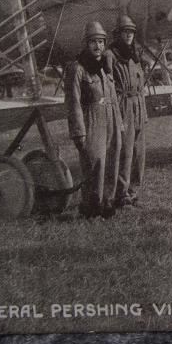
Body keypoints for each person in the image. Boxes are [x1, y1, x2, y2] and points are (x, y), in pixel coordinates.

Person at [65, 21, 123, 219]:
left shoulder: (105, 69)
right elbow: (73, 103)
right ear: (85, 43)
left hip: (111, 120)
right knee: (94, 165)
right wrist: (79, 132)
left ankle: (108, 204)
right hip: (92, 121)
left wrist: (119, 124)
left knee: (111, 163)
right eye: (93, 42)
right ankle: (91, 208)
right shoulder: (77, 69)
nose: (97, 46)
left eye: (100, 41)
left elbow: (112, 99)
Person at [107, 15, 147, 207]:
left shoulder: (135, 55)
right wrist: (116, 114)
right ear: (118, 34)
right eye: (125, 32)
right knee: (125, 153)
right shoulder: (111, 55)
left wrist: (144, 112)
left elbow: (141, 85)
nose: (129, 35)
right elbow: (108, 86)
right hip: (123, 106)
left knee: (139, 154)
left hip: (138, 105)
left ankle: (133, 192)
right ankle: (121, 196)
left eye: (131, 32)